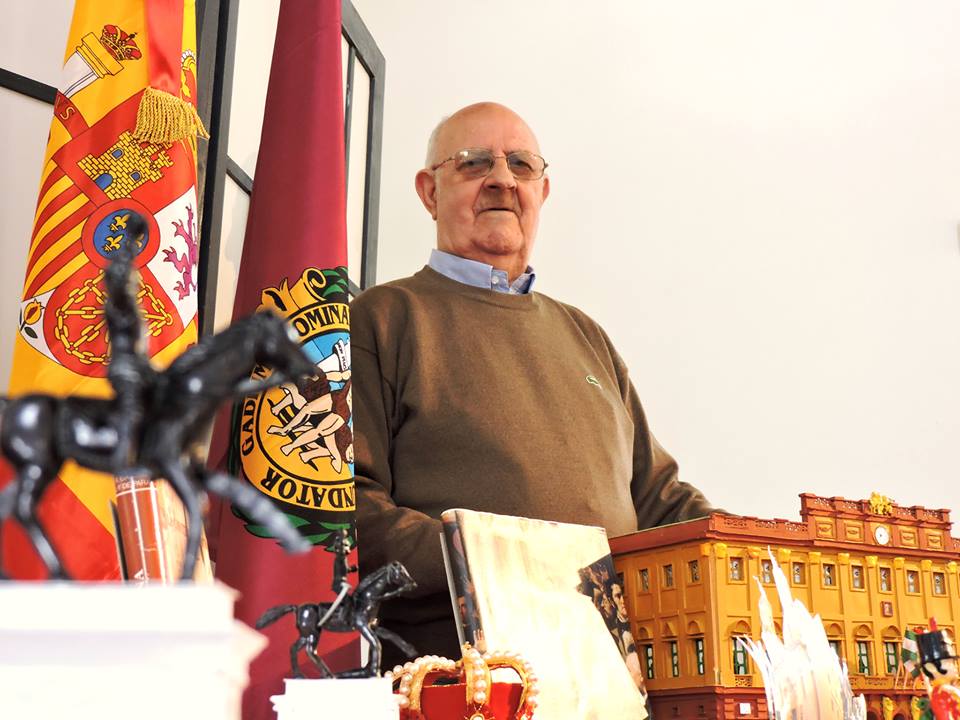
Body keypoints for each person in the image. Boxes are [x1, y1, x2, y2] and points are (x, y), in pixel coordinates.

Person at [351, 102, 714, 665]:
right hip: (462, 678)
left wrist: (751, 549)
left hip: (612, 677)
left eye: (521, 164)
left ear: (542, 191)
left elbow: (659, 499)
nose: (501, 178)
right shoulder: (379, 319)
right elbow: (349, 503)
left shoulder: (587, 335)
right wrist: (496, 557)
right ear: (429, 192)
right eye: (474, 164)